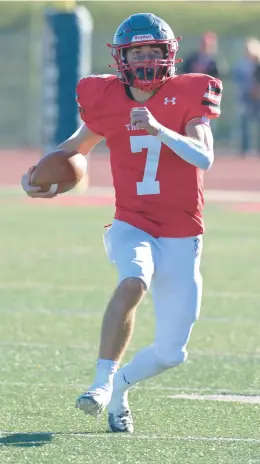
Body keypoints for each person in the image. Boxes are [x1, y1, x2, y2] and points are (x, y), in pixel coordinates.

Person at [21, 13, 223, 433]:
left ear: (169, 55)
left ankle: (121, 388)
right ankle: (100, 383)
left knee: (172, 353)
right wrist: (39, 174)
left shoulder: (190, 92)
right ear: (122, 58)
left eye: (154, 50)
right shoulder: (106, 97)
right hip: (132, 221)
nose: (147, 58)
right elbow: (76, 147)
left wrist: (159, 128)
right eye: (139, 51)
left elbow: (203, 158)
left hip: (184, 232)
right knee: (134, 279)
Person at [233, 37, 260, 155]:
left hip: (258, 96)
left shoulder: (258, 65)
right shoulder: (241, 64)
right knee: (244, 120)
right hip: (246, 96)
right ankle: (245, 148)